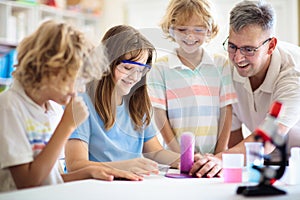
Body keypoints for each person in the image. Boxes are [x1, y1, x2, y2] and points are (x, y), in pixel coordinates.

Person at [0, 20, 142, 192]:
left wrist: (89, 171)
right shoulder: (9, 107)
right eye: (77, 80)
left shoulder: (51, 109)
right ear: (52, 69)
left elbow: (49, 178)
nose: (81, 89)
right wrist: (67, 126)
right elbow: (27, 183)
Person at [199, 0, 300, 177]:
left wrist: (221, 159)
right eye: (232, 46)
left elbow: (269, 137)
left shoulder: (294, 73)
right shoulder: (226, 70)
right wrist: (226, 162)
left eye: (248, 49)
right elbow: (234, 134)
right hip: (264, 161)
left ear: (271, 46)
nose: (238, 58)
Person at [65, 25, 180, 177]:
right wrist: (124, 166)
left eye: (140, 70)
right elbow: (75, 165)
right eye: (127, 68)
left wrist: (188, 160)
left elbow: (156, 152)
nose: (135, 77)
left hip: (129, 185)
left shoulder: (137, 104)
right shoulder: (81, 102)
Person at [147, 0, 238, 156]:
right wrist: (180, 156)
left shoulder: (221, 64)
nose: (190, 36)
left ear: (210, 30)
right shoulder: (159, 68)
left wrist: (219, 154)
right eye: (182, 29)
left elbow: (226, 110)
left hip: (212, 157)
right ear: (171, 30)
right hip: (177, 158)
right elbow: (159, 115)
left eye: (198, 30)